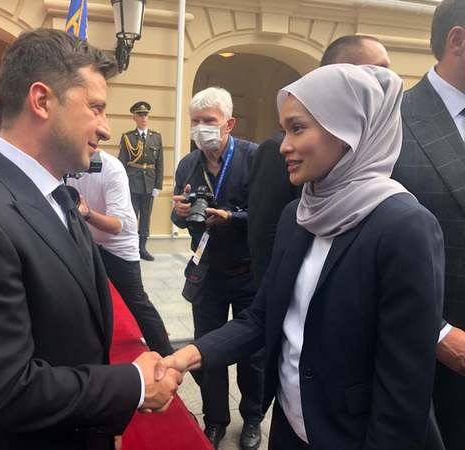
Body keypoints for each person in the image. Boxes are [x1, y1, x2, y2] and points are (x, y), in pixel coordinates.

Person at [0, 29, 181, 450]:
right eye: (95, 108)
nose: (106, 128)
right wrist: (130, 385)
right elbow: (5, 391)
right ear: (41, 101)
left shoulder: (58, 190)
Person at [163, 65, 445, 450]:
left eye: (298, 129)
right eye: (285, 130)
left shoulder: (404, 227)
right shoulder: (297, 216)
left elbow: (403, 389)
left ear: (346, 130)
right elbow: (262, 317)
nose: (283, 146)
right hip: (291, 430)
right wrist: (188, 356)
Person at [248, 34, 390, 283]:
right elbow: (263, 239)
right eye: (375, 73)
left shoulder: (402, 219)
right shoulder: (295, 214)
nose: (387, 83)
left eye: (298, 129)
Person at [171, 87, 265, 450]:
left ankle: (253, 418)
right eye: (195, 122)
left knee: (252, 354)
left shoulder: (254, 158)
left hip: (247, 271)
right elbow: (180, 218)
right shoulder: (187, 164)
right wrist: (178, 214)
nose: (200, 129)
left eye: (208, 121)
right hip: (206, 272)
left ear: (229, 123)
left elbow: (267, 214)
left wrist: (232, 217)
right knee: (208, 350)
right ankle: (215, 420)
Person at [392, 1, 465, 447]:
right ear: (457, 41)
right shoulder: (389, 123)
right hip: (433, 371)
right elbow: (354, 249)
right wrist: (436, 332)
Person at [67, 149, 173, 357]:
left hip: (119, 245)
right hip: (88, 241)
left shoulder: (112, 168)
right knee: (87, 298)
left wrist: (86, 214)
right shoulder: (68, 162)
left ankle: (166, 354)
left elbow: (116, 225)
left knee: (136, 300)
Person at [118, 101, 163, 261]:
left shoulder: (156, 138)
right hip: (132, 182)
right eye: (140, 115)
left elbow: (160, 164)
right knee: (131, 216)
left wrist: (158, 185)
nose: (144, 118)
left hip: (149, 183)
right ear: (134, 118)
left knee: (146, 216)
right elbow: (122, 163)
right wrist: (122, 184)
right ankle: (130, 246)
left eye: (146, 115)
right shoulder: (128, 138)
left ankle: (142, 248)